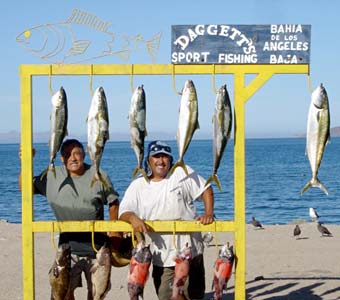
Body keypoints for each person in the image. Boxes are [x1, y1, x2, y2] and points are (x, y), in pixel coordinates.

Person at [19, 139, 121, 300]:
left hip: (97, 250)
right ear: (61, 158)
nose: (72, 158)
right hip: (67, 250)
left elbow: (113, 202)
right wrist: (26, 162)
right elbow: (25, 187)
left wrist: (115, 230)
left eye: (76, 153)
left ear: (84, 154)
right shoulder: (52, 176)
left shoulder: (98, 174)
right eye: (67, 154)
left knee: (97, 295)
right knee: (62, 294)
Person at [119, 140, 214, 300]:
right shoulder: (139, 185)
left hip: (191, 250)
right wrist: (132, 218)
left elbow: (206, 189)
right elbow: (124, 211)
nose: (161, 161)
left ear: (170, 159)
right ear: (148, 160)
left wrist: (209, 213)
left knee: (194, 295)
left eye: (165, 157)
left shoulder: (180, 173)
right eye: (156, 156)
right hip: (162, 256)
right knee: (166, 295)